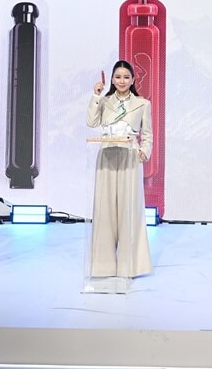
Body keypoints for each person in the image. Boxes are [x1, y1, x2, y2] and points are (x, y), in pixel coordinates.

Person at [85, 60, 153, 278]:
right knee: (104, 210)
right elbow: (91, 122)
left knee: (129, 209)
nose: (122, 81)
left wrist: (144, 151)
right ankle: (102, 266)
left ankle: (129, 266)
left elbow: (147, 134)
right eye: (117, 77)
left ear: (133, 79)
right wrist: (96, 95)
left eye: (126, 77)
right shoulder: (104, 101)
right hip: (106, 155)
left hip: (130, 157)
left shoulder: (142, 104)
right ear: (112, 80)